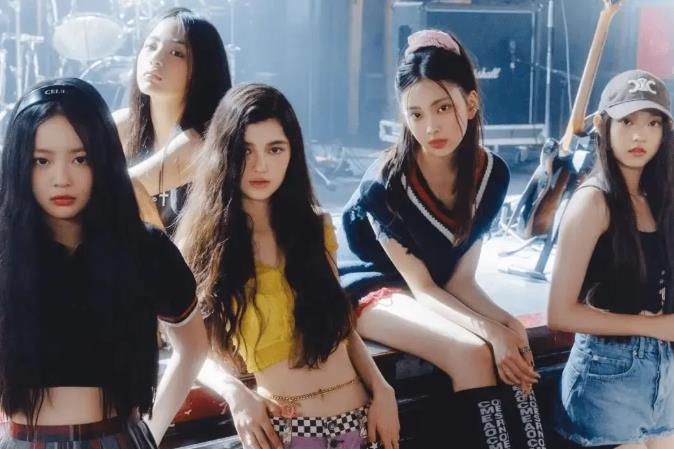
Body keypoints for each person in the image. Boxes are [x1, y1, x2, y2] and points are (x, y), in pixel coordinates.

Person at [338, 29, 545, 447]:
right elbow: (424, 287)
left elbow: (460, 281)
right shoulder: (385, 184)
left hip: (434, 290)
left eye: (443, 107)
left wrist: (507, 327)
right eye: (415, 114)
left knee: (517, 342)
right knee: (471, 352)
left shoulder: (491, 174)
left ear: (470, 103)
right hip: (371, 289)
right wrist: (492, 332)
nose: (430, 126)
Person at [176, 83, 400, 449]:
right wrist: (235, 393)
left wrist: (382, 388)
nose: (260, 165)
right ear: (224, 152)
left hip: (361, 422)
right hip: (287, 433)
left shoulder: (315, 226)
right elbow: (187, 350)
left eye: (275, 149)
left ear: (292, 153)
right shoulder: (203, 245)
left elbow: (342, 327)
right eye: (245, 150)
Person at [0, 78, 208, 448]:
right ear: (19, 164)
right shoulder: (6, 253)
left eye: (80, 158)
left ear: (103, 159)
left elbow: (194, 347)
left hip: (119, 436)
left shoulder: (143, 248)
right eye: (41, 161)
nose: (61, 179)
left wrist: (150, 431)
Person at [549, 69, 674, 448]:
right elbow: (560, 314)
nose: (640, 135)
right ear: (604, 126)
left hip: (664, 376)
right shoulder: (593, 202)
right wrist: (655, 326)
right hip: (606, 374)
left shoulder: (660, 199)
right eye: (627, 121)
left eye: (653, 123)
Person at [114, 7, 231, 232]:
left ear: (203, 68)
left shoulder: (200, 143)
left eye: (176, 53)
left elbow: (110, 191)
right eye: (151, 46)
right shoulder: (123, 125)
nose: (156, 59)